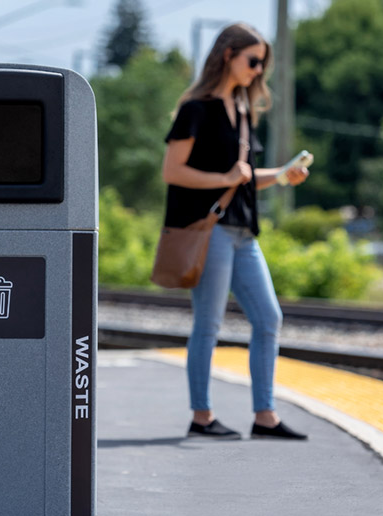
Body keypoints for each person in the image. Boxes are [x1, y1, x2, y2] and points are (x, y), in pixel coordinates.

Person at [161, 22, 310, 440]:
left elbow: (241, 177)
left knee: (268, 318)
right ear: (228, 55)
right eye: (253, 61)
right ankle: (201, 416)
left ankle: (265, 416)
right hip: (211, 231)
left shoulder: (243, 112)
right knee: (208, 324)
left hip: (245, 232)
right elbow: (173, 171)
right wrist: (224, 177)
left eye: (263, 64)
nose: (259, 70)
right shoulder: (196, 108)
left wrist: (279, 176)